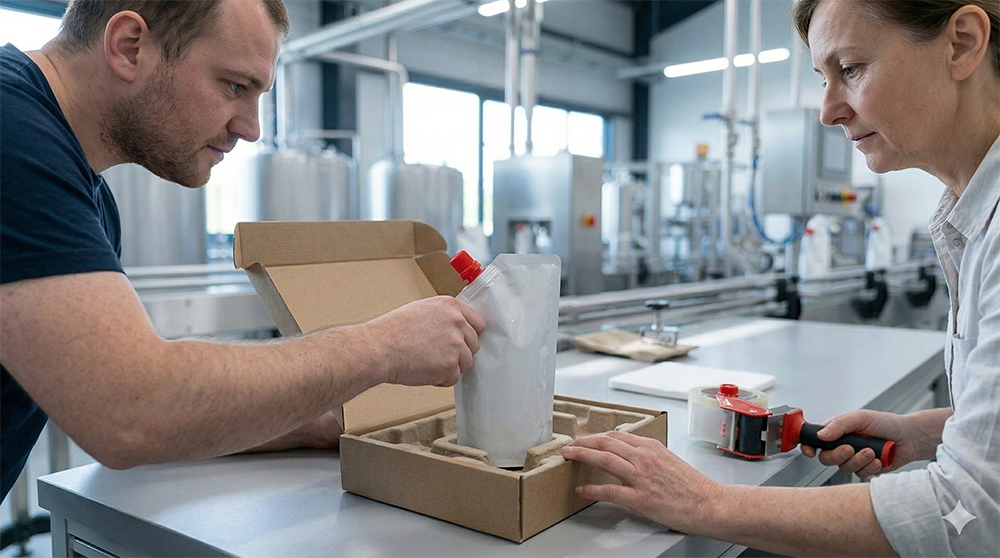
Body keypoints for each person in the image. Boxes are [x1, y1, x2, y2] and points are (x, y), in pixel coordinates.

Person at [562, 1, 1000, 555]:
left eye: (852, 69)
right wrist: (927, 435)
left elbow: (971, 514)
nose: (827, 111)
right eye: (823, 78)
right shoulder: (971, 215)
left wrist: (703, 503)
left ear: (961, 43)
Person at [0, 0, 485, 500]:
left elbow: (115, 402)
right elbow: (130, 410)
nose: (251, 129)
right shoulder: (11, 133)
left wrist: (299, 417)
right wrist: (381, 347)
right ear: (130, 47)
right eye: (234, 85)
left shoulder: (89, 194)